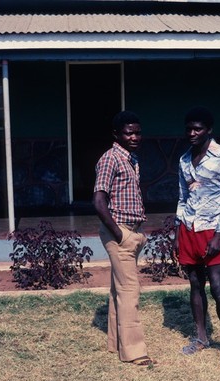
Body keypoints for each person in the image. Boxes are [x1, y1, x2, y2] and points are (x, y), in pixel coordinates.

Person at [173, 106, 220, 366]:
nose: (192, 133)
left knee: (217, 285)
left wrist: (219, 235)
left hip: (214, 229)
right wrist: (177, 231)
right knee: (194, 283)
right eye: (188, 128)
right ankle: (200, 338)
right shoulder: (184, 159)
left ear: (208, 130)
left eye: (197, 128)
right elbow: (182, 197)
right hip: (189, 227)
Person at [93, 110, 156, 367]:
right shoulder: (110, 159)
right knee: (130, 290)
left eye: (138, 132)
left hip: (132, 230)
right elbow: (98, 201)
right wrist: (120, 235)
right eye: (129, 132)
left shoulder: (132, 160)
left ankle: (116, 342)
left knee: (118, 289)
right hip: (119, 232)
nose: (134, 136)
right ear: (116, 135)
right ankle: (135, 352)